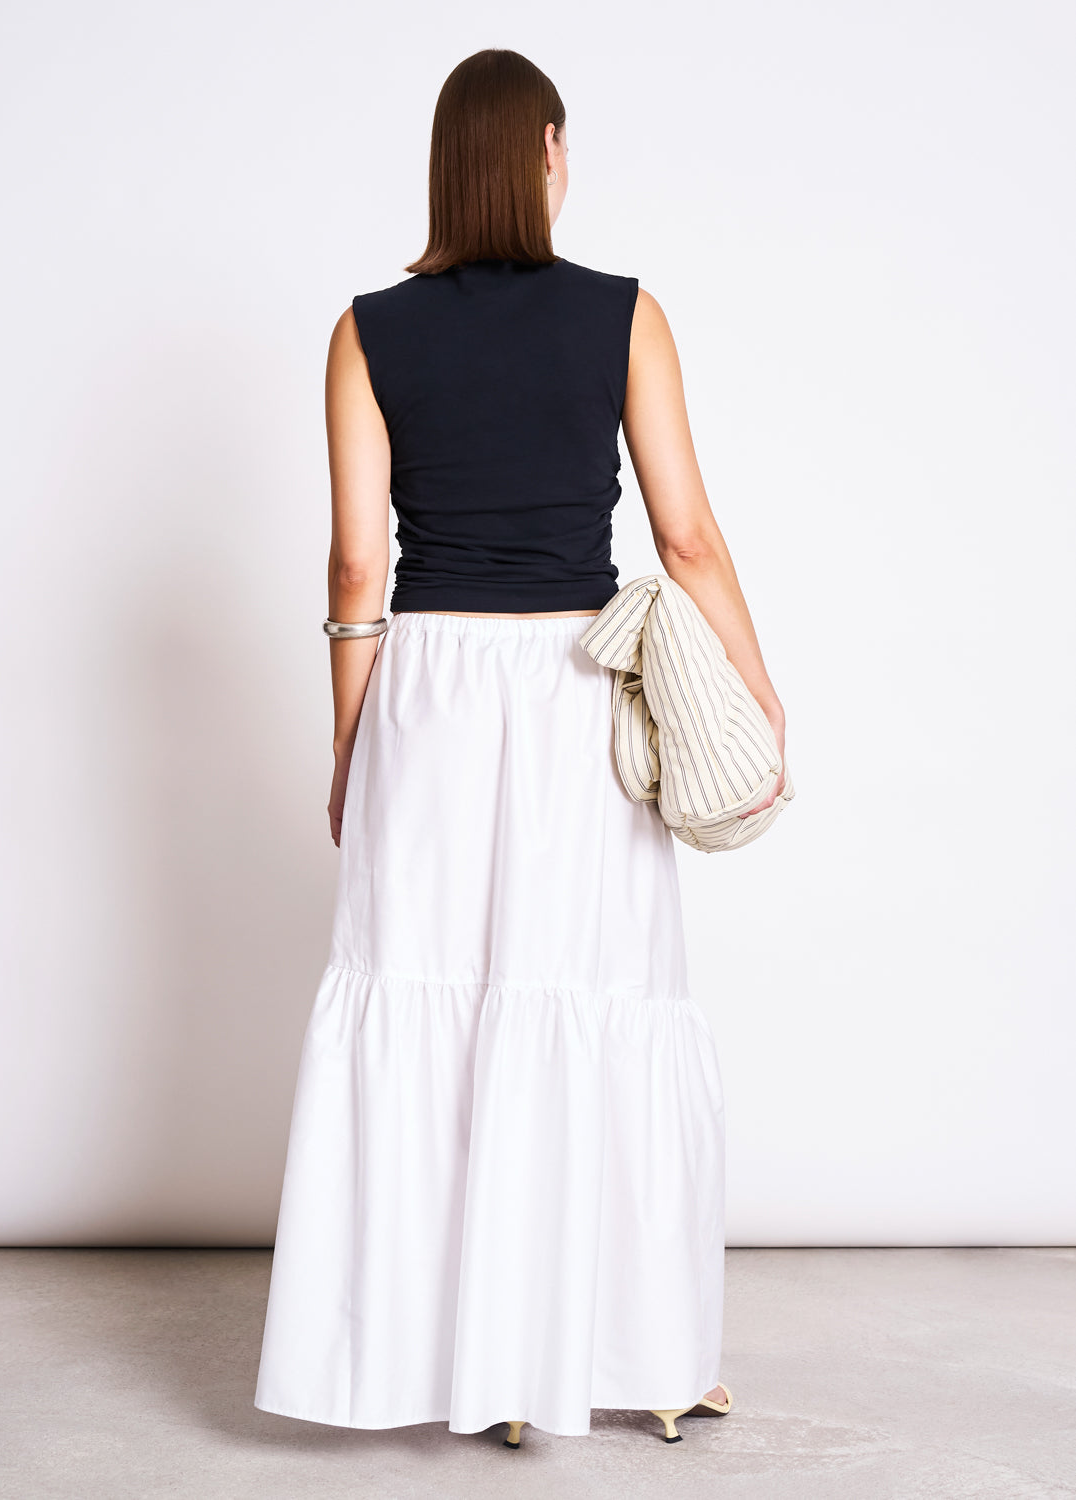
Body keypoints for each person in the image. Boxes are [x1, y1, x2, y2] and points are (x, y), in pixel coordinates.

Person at [254, 47, 787, 1448]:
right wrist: (754, 692)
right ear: (550, 152)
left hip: (427, 689)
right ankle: (643, 1358)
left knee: (438, 1009)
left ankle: (455, 1369)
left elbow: (356, 563)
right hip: (568, 693)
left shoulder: (365, 329)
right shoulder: (624, 314)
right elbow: (683, 537)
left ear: (444, 164)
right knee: (591, 999)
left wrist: (351, 744)